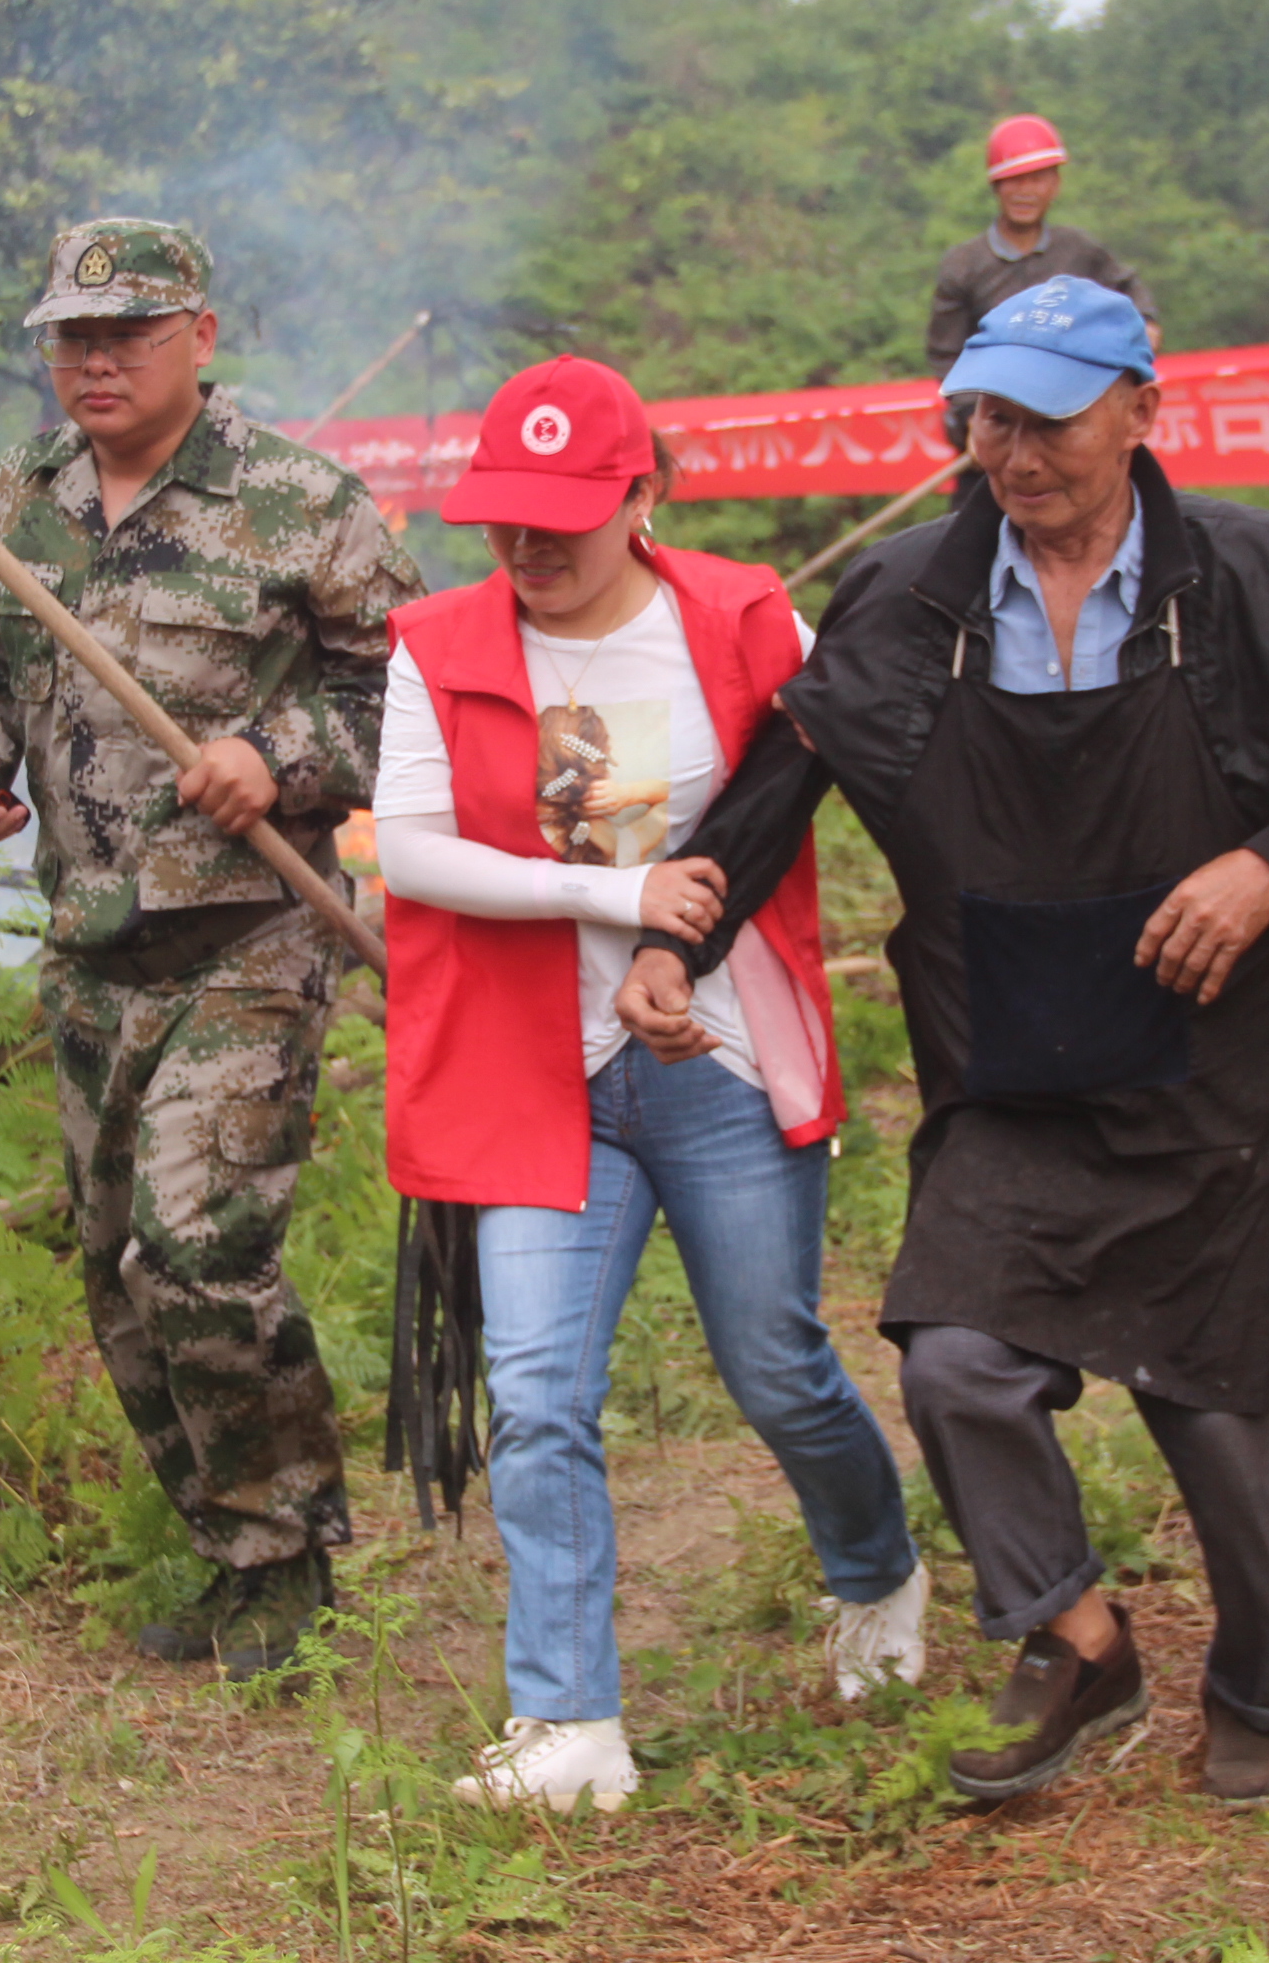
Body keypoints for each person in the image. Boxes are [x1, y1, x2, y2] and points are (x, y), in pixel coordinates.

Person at [620, 278, 1269, 1805]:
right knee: (952, 1362)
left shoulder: (1266, 584)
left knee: (1223, 1408)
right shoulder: (911, 594)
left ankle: (1266, 1686)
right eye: (988, 418)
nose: (1012, 454)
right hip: (1011, 1064)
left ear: (1144, 410)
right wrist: (681, 937)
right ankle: (1077, 1638)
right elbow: (779, 779)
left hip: (1226, 1073)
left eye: (1050, 420)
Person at [375, 354, 925, 1816]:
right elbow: (412, 848)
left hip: (718, 1058)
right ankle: (570, 1727)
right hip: (536, 1072)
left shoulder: (739, 618)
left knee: (777, 1364)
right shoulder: (434, 643)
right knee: (539, 1390)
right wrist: (608, 906)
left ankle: (876, 1570)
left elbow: (819, 768)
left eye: (562, 517)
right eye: (504, 518)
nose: (527, 549)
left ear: (643, 496)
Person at [0, 218, 425, 1677]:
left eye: (125, 335)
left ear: (199, 338)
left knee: (199, 1249)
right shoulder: (20, 493)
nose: (94, 362)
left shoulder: (301, 505)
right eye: (72, 338)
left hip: (251, 934)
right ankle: (223, 1544)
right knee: (118, 1274)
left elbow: (418, 701)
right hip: (89, 943)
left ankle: (288, 1564)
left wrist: (277, 754)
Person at [923, 117, 1159, 450]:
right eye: (1014, 180)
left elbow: (1127, 286)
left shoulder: (1079, 251)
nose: (1026, 192)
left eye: (1037, 180)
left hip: (1072, 424)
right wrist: (971, 416)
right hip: (999, 429)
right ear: (995, 185)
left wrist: (1145, 322)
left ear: (1055, 185)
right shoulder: (963, 265)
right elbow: (947, 354)